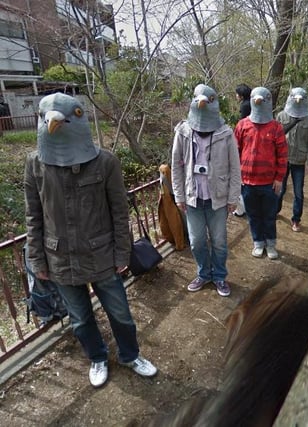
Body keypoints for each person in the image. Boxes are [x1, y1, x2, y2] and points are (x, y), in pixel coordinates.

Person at [24, 93, 157, 388]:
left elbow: (119, 212)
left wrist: (122, 254)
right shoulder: (35, 165)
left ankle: (130, 354)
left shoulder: (105, 162)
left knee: (120, 313)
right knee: (81, 319)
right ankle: (97, 357)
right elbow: (33, 216)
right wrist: (37, 259)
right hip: (60, 258)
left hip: (101, 254)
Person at [171, 84, 241, 296]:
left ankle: (219, 276)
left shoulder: (226, 133)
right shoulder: (182, 132)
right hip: (193, 198)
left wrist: (233, 197)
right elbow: (176, 166)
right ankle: (204, 273)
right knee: (197, 241)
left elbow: (234, 167)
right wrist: (179, 196)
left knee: (219, 242)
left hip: (217, 198)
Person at [234, 87, 288, 259]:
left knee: (269, 216)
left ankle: (270, 244)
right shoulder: (242, 125)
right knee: (253, 215)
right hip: (248, 182)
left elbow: (282, 155)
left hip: (269, 183)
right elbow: (235, 152)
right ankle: (258, 242)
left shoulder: (276, 127)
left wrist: (279, 178)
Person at [276, 87, 308, 232]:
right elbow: (276, 139)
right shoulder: (281, 116)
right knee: (280, 188)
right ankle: (275, 210)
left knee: (298, 192)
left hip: (299, 160)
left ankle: (296, 219)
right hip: (283, 159)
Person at [232, 83, 252, 217]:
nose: (236, 96)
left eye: (237, 94)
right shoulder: (250, 103)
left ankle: (242, 208)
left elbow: (242, 123)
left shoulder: (245, 106)